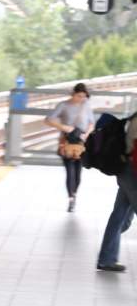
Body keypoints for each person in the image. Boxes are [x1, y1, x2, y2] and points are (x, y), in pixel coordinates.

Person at [44, 83, 95, 212]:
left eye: (84, 97)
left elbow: (92, 124)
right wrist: (64, 127)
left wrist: (86, 134)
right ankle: (71, 199)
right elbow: (48, 120)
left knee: (78, 174)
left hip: (82, 143)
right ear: (73, 94)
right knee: (69, 172)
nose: (81, 99)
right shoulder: (63, 105)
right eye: (79, 96)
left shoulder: (86, 106)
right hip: (66, 141)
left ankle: (74, 194)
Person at [97, 115, 137, 273]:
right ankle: (106, 258)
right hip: (132, 172)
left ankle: (106, 259)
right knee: (120, 218)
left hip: (127, 170)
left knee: (121, 218)